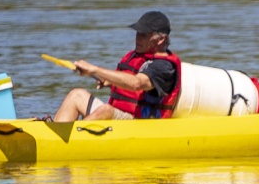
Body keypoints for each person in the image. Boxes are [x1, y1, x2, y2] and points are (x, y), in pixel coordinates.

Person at [51, 10, 183, 122]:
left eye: (144, 35)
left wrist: (94, 69)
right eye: (137, 33)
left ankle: (71, 143)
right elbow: (129, 84)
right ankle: (53, 136)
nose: (137, 38)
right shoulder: (136, 56)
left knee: (106, 110)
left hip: (141, 124)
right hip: (121, 117)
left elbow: (137, 83)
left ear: (160, 40)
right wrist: (107, 80)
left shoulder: (164, 66)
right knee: (76, 95)